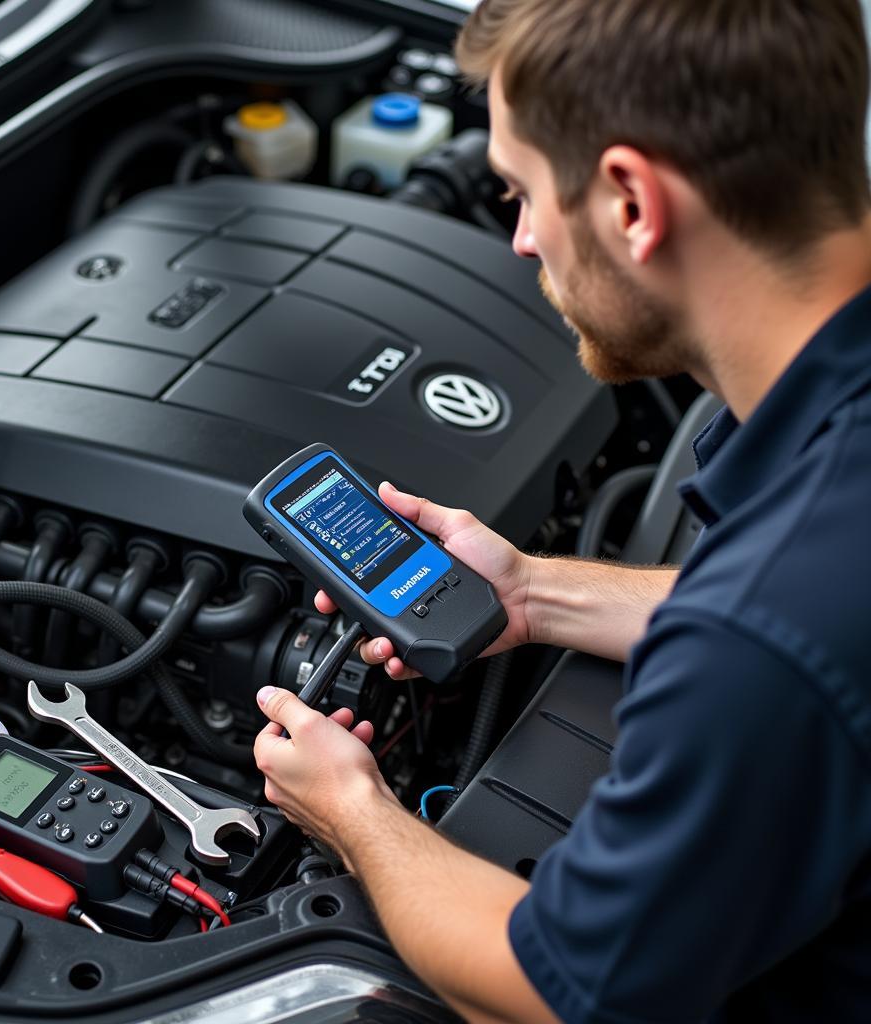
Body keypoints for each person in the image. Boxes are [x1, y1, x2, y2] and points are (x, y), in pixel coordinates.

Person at [253, 1, 871, 1020]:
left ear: (630, 199)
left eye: (524, 191)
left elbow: (555, 994)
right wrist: (534, 592)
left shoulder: (761, 641)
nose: (520, 238)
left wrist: (353, 810)